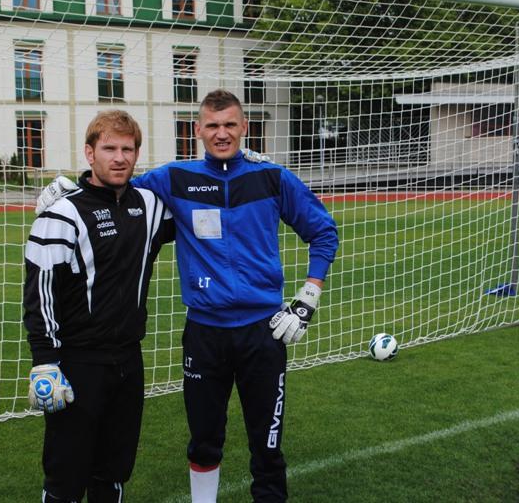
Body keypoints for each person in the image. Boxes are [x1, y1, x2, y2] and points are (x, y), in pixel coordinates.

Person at [37, 90, 339, 502]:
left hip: (263, 332)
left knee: (267, 445)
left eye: (229, 124)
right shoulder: (174, 179)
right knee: (203, 441)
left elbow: (323, 231)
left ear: (244, 127)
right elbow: (116, 187)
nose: (221, 133)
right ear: (197, 130)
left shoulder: (272, 178)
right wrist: (72, 189)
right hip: (204, 334)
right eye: (212, 125)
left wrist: (308, 298)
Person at [24, 109, 174, 503]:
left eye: (128, 149)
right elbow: (40, 293)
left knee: (113, 473)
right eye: (109, 149)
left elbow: (201, 204)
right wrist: (44, 361)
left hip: (129, 361)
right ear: (90, 154)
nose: (120, 158)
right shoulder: (62, 213)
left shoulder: (149, 205)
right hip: (78, 364)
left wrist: (238, 166)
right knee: (66, 479)